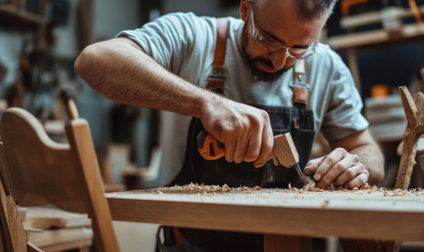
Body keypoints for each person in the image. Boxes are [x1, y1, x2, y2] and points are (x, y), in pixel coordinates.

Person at [75, 0, 384, 250]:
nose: (279, 61)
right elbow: (94, 61)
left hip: (291, 243)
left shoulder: (328, 67)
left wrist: (358, 166)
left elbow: (367, 149)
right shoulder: (194, 36)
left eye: (299, 48)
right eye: (269, 39)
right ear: (246, 9)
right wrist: (205, 102)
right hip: (193, 245)